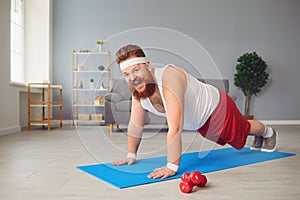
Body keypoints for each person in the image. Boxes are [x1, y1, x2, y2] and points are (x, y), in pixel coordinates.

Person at [112, 44, 278, 179]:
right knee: (232, 136)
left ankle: (268, 132)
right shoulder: (138, 93)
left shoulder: (169, 78)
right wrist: (131, 154)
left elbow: (175, 127)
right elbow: (135, 124)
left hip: (217, 108)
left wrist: (171, 166)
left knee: (241, 130)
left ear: (147, 65)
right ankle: (259, 133)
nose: (133, 78)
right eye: (126, 74)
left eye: (136, 70)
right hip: (201, 121)